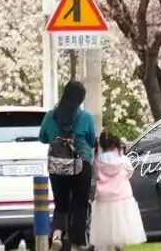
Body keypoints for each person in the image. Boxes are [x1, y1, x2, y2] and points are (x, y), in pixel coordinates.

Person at [39, 81, 99, 251]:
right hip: (81, 167)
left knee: (61, 204)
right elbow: (91, 140)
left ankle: (57, 235)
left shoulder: (50, 116)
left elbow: (42, 137)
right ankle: (76, 244)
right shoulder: (84, 117)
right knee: (79, 205)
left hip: (57, 167)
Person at [90, 130, 146, 251]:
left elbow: (95, 175)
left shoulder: (97, 160)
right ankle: (118, 248)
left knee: (105, 230)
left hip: (103, 198)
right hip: (122, 196)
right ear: (115, 143)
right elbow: (129, 172)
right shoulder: (122, 159)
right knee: (121, 229)